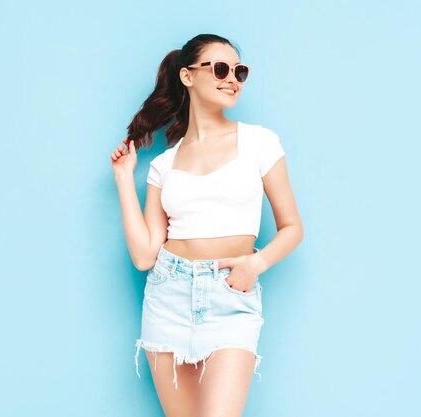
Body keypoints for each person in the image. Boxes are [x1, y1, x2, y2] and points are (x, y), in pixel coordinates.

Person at [110, 33, 303, 417]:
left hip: (230, 297)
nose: (232, 78)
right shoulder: (164, 165)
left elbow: (292, 226)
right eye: (219, 68)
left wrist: (256, 264)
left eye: (239, 71)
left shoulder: (260, 143)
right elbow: (145, 255)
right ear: (187, 76)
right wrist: (123, 179)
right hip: (169, 296)